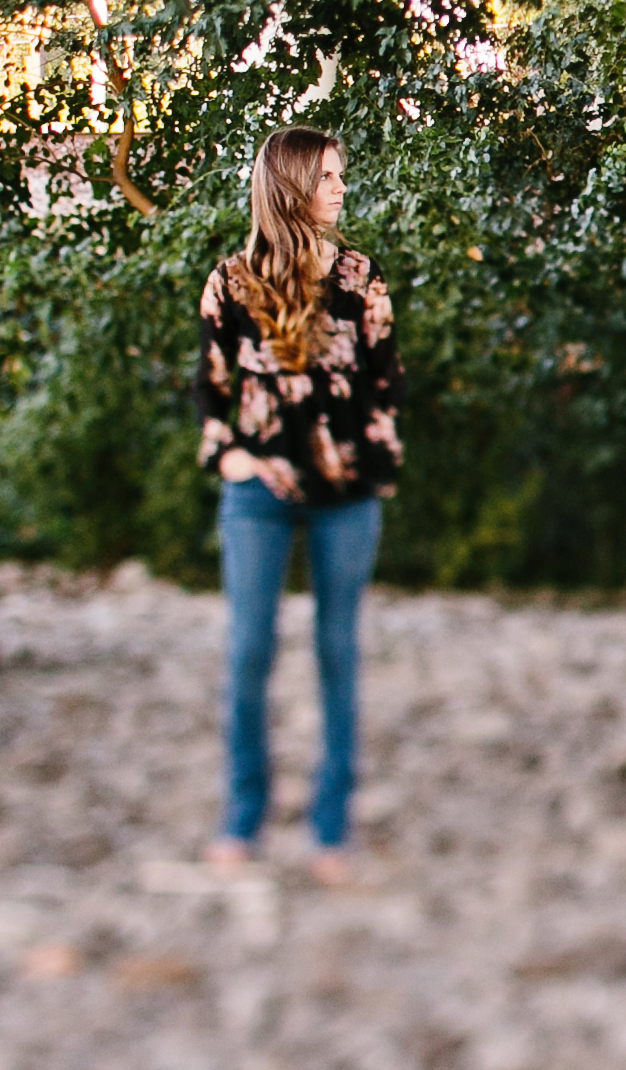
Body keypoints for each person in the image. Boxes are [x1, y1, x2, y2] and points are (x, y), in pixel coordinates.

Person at [196, 126, 403, 884]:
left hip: (344, 496)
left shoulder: (358, 278)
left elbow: (384, 381)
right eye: (326, 178)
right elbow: (212, 389)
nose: (340, 189)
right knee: (250, 650)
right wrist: (237, 456)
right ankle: (243, 817)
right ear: (288, 188)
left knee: (336, 652)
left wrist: (375, 469)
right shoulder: (230, 284)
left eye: (341, 175)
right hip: (257, 495)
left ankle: (330, 828)